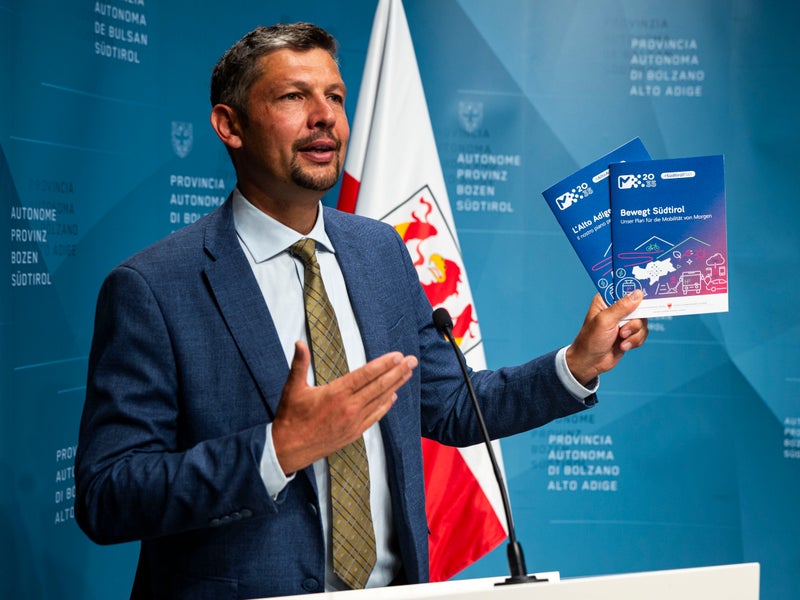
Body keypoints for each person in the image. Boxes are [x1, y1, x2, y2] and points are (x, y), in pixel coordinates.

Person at [75, 22, 648, 599]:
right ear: (230, 126)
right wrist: (276, 451)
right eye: (294, 96)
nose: (324, 116)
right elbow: (107, 494)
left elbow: (451, 404)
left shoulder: (380, 251)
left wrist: (577, 363)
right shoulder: (153, 288)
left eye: (335, 96)